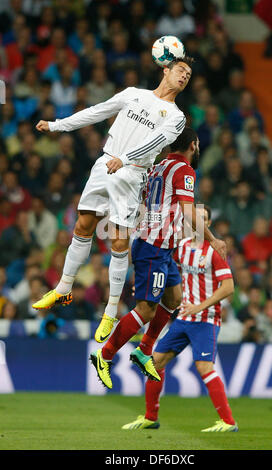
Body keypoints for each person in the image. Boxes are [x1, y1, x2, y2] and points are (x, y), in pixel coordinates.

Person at [31, 57, 194, 321]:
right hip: (106, 162)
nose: (184, 76)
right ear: (166, 70)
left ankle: (110, 310)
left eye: (188, 74)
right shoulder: (134, 95)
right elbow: (97, 111)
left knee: (119, 241)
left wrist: (126, 159)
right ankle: (63, 288)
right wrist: (57, 125)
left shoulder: (176, 117)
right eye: (180, 70)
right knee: (83, 226)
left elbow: (156, 143)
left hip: (132, 174)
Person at [90, 127, 226, 389]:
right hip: (154, 246)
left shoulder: (159, 165)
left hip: (160, 246)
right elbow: (188, 210)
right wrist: (213, 239)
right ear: (194, 145)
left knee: (174, 298)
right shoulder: (185, 170)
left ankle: (144, 350)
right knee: (146, 309)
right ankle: (104, 356)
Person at [122, 206, 238, 433]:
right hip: (184, 318)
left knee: (204, 366)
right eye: (195, 218)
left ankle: (228, 422)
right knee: (155, 363)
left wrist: (199, 306)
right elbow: (162, 269)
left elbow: (229, 288)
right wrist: (147, 285)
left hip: (205, 318)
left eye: (203, 219)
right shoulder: (181, 247)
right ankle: (150, 417)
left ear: (209, 225)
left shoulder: (213, 251)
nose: (197, 222)